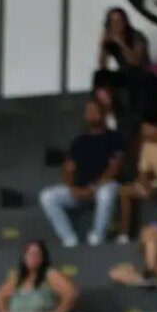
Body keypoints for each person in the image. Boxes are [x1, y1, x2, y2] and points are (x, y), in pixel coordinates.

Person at [38, 98, 125, 247]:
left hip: (104, 186)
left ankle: (97, 237)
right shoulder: (79, 141)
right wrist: (73, 189)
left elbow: (114, 167)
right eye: (88, 112)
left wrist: (93, 188)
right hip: (80, 190)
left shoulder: (114, 137)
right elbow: (69, 168)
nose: (91, 115)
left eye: (94, 111)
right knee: (47, 197)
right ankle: (70, 240)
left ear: (103, 114)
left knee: (106, 194)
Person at [91, 7, 153, 114]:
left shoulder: (137, 35)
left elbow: (135, 62)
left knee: (134, 74)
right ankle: (104, 109)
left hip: (142, 73)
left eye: (119, 21)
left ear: (125, 22)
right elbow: (102, 65)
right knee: (99, 75)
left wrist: (121, 42)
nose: (116, 24)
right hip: (124, 73)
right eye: (112, 21)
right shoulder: (111, 38)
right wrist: (103, 46)